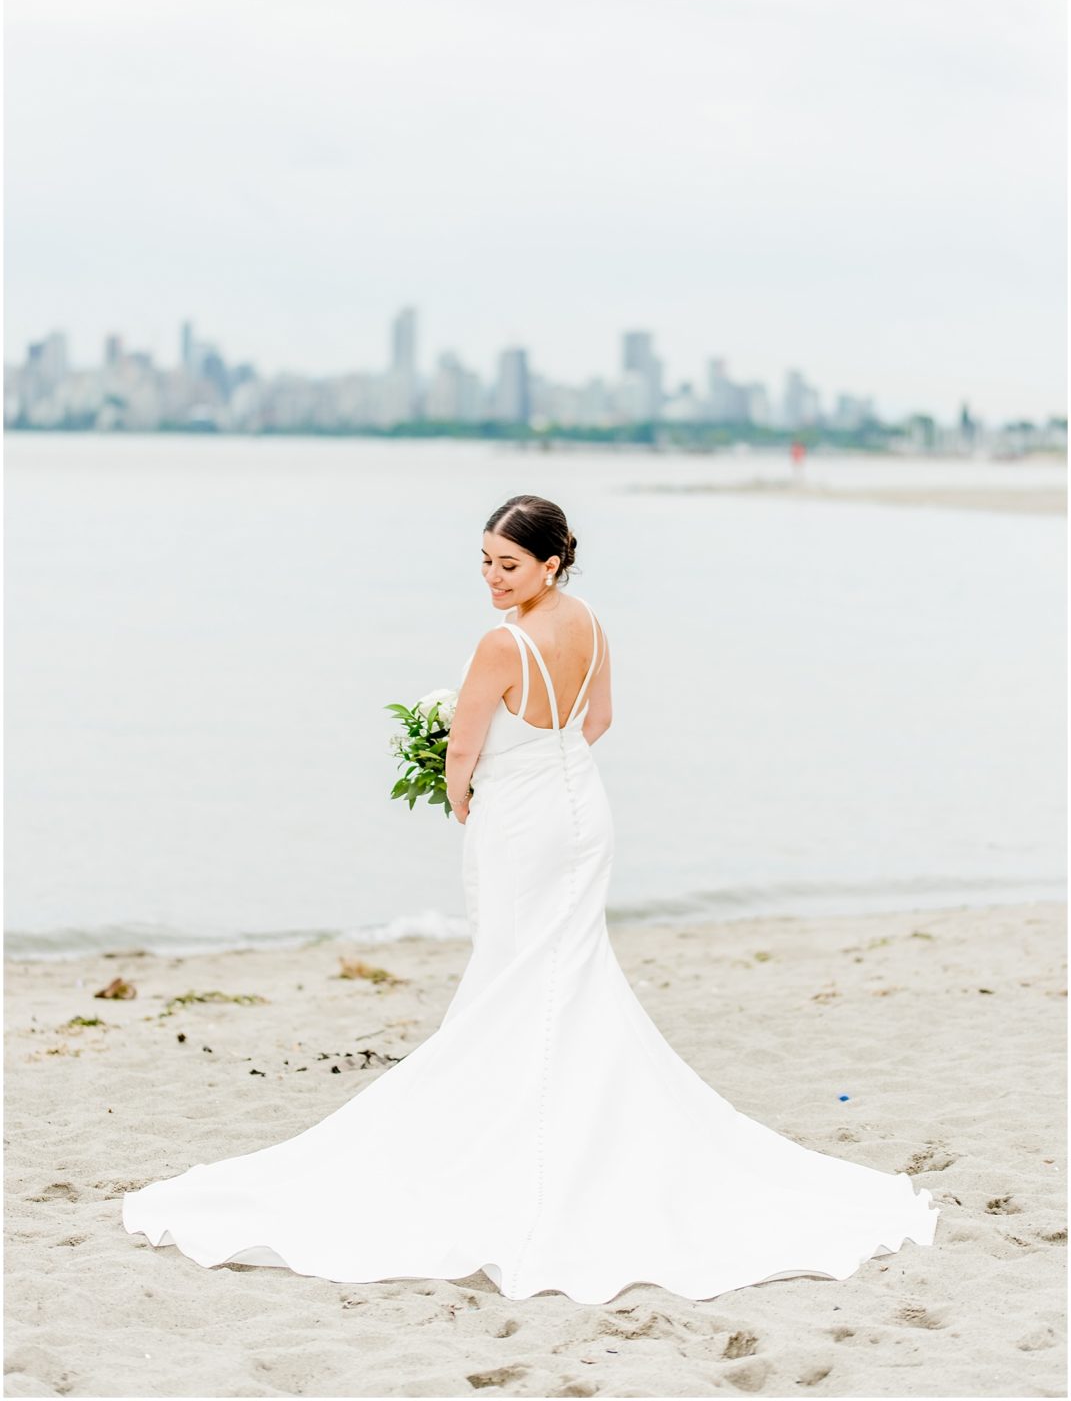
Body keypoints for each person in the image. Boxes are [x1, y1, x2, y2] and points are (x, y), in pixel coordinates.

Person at [121, 492, 940, 1304]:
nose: (492, 578)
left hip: (520, 821)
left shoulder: (500, 645)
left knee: (516, 969)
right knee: (563, 969)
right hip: (581, 808)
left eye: (508, 564)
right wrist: (547, 767)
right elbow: (601, 720)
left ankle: (519, 1131)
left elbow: (463, 750)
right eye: (484, 561)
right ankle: (567, 1116)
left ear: (550, 563)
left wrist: (472, 787)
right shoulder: (589, 622)